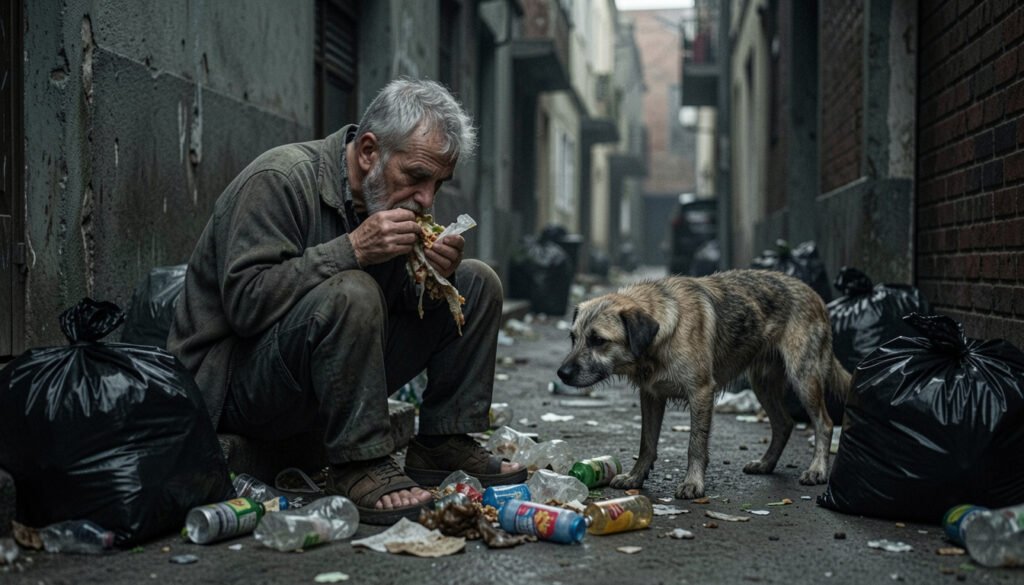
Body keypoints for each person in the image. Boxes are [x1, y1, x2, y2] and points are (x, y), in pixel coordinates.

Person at [168, 78, 525, 525]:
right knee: (353, 290)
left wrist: (437, 276)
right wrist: (352, 250)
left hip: (314, 374)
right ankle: (358, 465)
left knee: (476, 283)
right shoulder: (279, 179)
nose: (426, 199)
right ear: (369, 151)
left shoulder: (390, 200)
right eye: (416, 177)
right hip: (236, 386)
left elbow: (389, 307)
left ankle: (442, 442)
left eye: (438, 183)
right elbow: (245, 305)